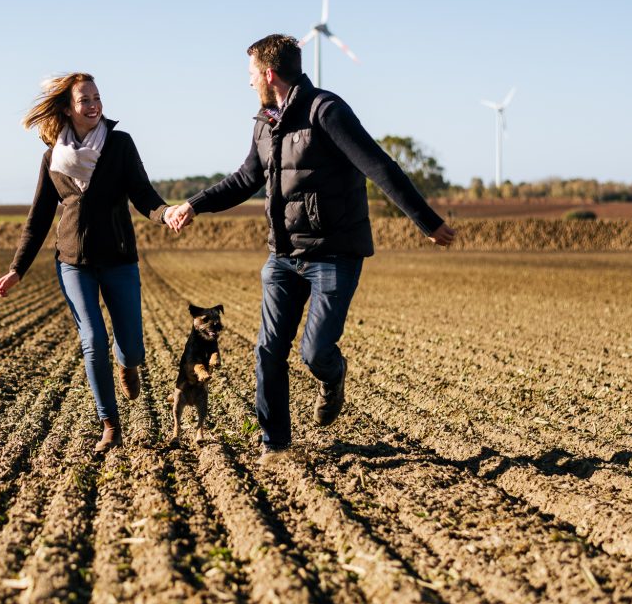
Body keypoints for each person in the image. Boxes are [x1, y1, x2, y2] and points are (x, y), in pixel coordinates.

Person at [165, 34, 455, 460]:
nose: (247, 83)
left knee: (315, 350)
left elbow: (379, 165)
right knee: (268, 350)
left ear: (268, 73)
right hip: (282, 257)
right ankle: (276, 444)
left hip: (335, 252)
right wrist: (195, 204)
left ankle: (332, 376)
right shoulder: (264, 121)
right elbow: (245, 179)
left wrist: (426, 221)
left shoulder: (327, 111)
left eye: (250, 75)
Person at [0, 72, 169, 453]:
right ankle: (110, 424)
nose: (93, 105)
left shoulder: (120, 145)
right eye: (84, 100)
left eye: (97, 98)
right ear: (69, 109)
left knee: (132, 347)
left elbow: (143, 194)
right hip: (73, 262)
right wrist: (16, 268)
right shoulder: (53, 158)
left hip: (120, 258)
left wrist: (165, 214)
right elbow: (39, 217)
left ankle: (128, 363)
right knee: (92, 339)